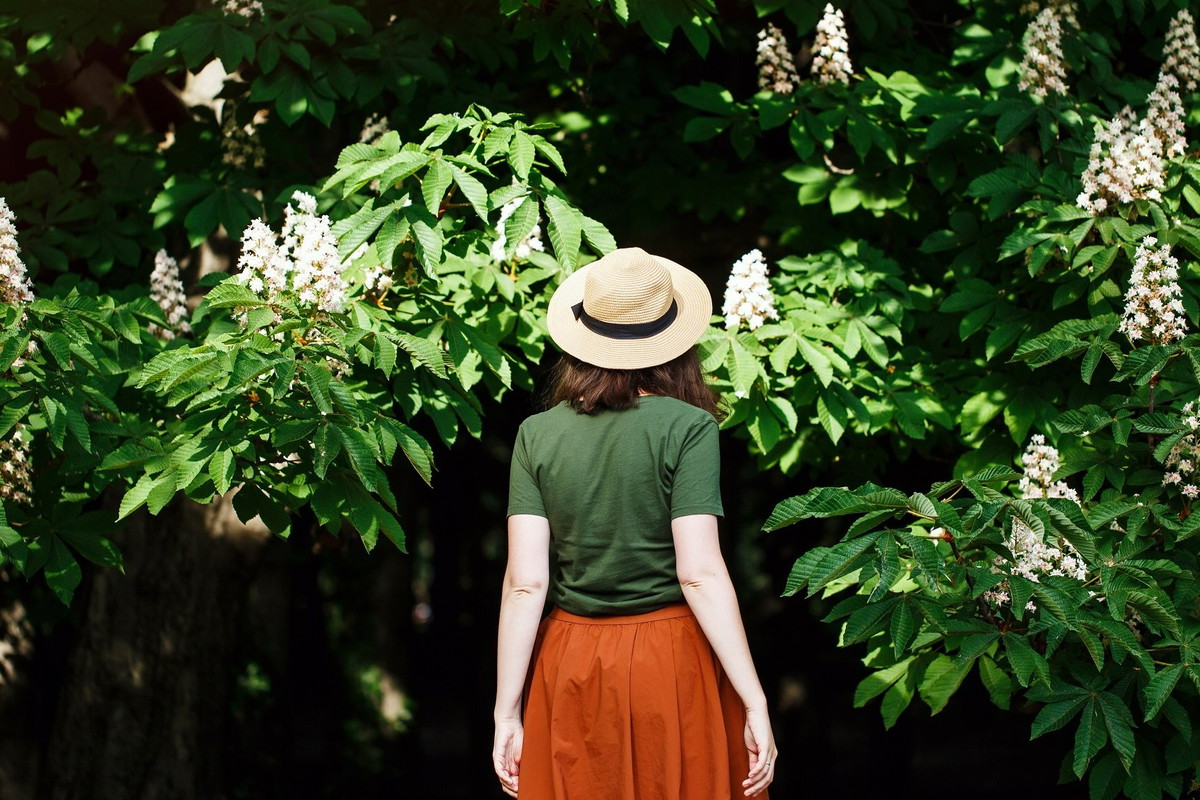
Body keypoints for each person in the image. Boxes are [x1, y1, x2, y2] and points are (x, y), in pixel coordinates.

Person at [493, 246, 777, 800]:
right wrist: (755, 700)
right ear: (673, 341)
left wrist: (507, 711)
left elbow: (524, 584)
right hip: (669, 659)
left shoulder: (536, 434)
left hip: (569, 660)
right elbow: (699, 573)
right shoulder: (689, 426)